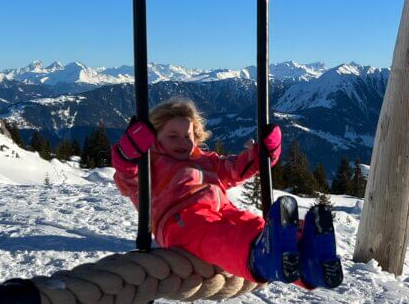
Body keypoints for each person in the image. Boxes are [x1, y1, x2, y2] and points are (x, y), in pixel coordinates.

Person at [110, 98, 342, 289]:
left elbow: (232, 168)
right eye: (172, 136)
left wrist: (261, 155)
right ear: (154, 139)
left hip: (222, 211)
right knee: (219, 236)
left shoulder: (204, 159)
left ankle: (311, 264)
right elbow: (128, 178)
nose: (182, 141)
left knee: (254, 226)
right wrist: (129, 153)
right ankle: (262, 258)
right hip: (181, 221)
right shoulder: (151, 164)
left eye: (188, 136)